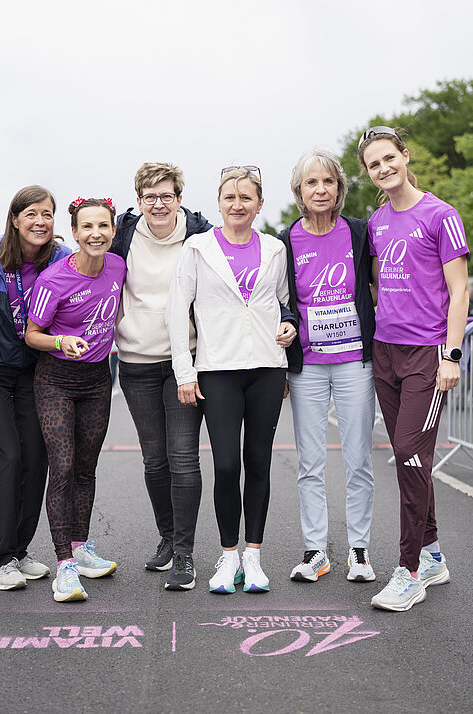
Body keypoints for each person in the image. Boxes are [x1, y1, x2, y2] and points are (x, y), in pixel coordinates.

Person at [166, 166, 297, 594]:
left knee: (258, 462)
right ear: (219, 202)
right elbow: (176, 311)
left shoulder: (275, 249)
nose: (237, 205)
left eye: (246, 198)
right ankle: (226, 558)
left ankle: (253, 558)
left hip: (266, 367)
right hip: (217, 369)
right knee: (225, 464)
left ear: (260, 205)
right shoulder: (198, 248)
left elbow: (283, 304)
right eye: (229, 197)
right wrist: (184, 373)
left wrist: (289, 326)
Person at [357, 127, 468, 612]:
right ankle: (434, 555)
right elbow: (381, 284)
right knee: (412, 460)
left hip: (428, 355)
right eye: (373, 165)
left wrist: (451, 354)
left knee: (408, 452)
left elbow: (459, 291)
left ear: (405, 156)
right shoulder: (377, 222)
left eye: (389, 158)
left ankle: (408, 572)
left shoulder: (441, 215)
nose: (384, 169)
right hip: (387, 351)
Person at [110, 162, 212, 590]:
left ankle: (186, 555)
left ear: (179, 198)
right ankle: (167, 539)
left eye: (166, 196)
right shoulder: (124, 233)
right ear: (138, 201)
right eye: (149, 196)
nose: (157, 204)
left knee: (183, 455)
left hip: (184, 361)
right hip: (135, 362)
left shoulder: (200, 234)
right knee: (155, 460)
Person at [277, 150, 377, 584]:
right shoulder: (285, 240)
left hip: (355, 360)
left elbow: (377, 285)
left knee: (358, 460)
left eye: (328, 182)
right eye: (311, 183)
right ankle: (315, 551)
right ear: (299, 192)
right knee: (310, 463)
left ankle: (359, 551)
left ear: (339, 189)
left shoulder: (359, 232)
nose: (320, 190)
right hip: (308, 366)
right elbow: (282, 301)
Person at [0, 186, 71, 591]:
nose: (40, 222)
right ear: (14, 218)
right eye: (31, 214)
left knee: (34, 459)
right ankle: (0, 560)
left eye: (47, 215)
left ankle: (20, 551)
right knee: (5, 457)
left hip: (36, 371)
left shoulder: (60, 259)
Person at [25, 197, 126, 602]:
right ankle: (63, 566)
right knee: (63, 468)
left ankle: (82, 548)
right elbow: (32, 335)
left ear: (113, 231)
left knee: (86, 468)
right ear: (75, 232)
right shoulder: (54, 280)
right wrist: (60, 340)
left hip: (98, 379)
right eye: (87, 227)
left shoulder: (118, 266)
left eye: (103, 226)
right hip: (55, 379)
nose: (96, 234)